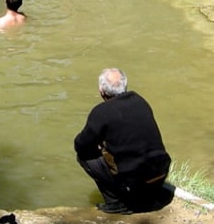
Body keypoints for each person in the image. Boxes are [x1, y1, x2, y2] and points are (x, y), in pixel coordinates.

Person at [74, 68, 173, 214]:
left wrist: (101, 145)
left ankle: (117, 202)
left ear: (102, 91)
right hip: (161, 173)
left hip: (136, 182)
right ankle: (148, 194)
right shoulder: (140, 100)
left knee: (85, 156)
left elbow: (80, 144)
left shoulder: (101, 112)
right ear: (125, 86)